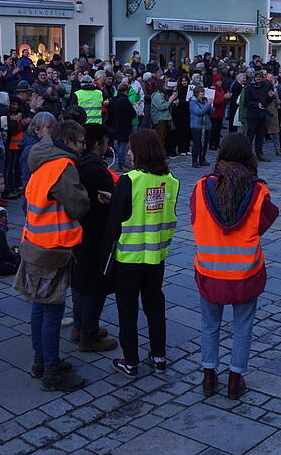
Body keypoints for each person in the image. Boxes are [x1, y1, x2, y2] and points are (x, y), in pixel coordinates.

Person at [191, 132, 278, 399]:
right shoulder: (258, 191)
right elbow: (264, 222)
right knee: (243, 326)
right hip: (245, 270)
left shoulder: (201, 187)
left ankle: (208, 376)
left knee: (210, 324)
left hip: (209, 269)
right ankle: (235, 379)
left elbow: (194, 218)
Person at [16, 120, 90, 391]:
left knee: (40, 307)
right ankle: (51, 372)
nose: (83, 147)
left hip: (34, 243)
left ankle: (42, 361)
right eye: (81, 142)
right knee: (52, 311)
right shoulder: (63, 166)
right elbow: (79, 205)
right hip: (52, 248)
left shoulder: (42, 160)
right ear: (68, 140)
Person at [102, 130, 178, 377]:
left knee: (127, 309)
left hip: (128, 257)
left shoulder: (129, 180)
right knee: (155, 306)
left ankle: (131, 361)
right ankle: (159, 356)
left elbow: (116, 221)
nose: (129, 153)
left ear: (140, 152)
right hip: (156, 256)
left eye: (131, 148)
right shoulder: (171, 181)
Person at [71, 123, 118, 352]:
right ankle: (88, 335)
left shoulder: (78, 164)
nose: (107, 146)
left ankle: (80, 326)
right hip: (96, 234)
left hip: (78, 231)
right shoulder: (96, 169)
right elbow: (111, 203)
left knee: (80, 281)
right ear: (97, 143)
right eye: (105, 142)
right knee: (95, 285)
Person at [242, 72, 274, 161]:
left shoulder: (265, 87)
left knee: (260, 135)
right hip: (252, 114)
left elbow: (268, 100)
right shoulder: (249, 87)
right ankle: (247, 154)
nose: (258, 78)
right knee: (250, 135)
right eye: (257, 77)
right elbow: (246, 102)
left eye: (260, 77)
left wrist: (270, 96)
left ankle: (259, 153)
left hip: (262, 114)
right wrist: (256, 104)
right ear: (254, 78)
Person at [107, 83, 137, 172]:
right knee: (123, 145)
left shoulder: (113, 100)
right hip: (125, 125)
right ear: (126, 91)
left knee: (119, 144)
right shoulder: (125, 100)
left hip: (115, 125)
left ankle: (121, 162)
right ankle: (121, 163)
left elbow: (110, 114)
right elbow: (133, 114)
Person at [189, 86, 214, 168]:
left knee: (205, 144)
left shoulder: (205, 101)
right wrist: (207, 105)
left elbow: (212, 111)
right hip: (196, 126)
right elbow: (199, 112)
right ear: (197, 93)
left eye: (203, 91)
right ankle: (194, 161)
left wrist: (209, 105)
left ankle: (202, 159)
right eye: (201, 92)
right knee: (197, 144)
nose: (203, 93)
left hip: (206, 125)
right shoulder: (193, 102)